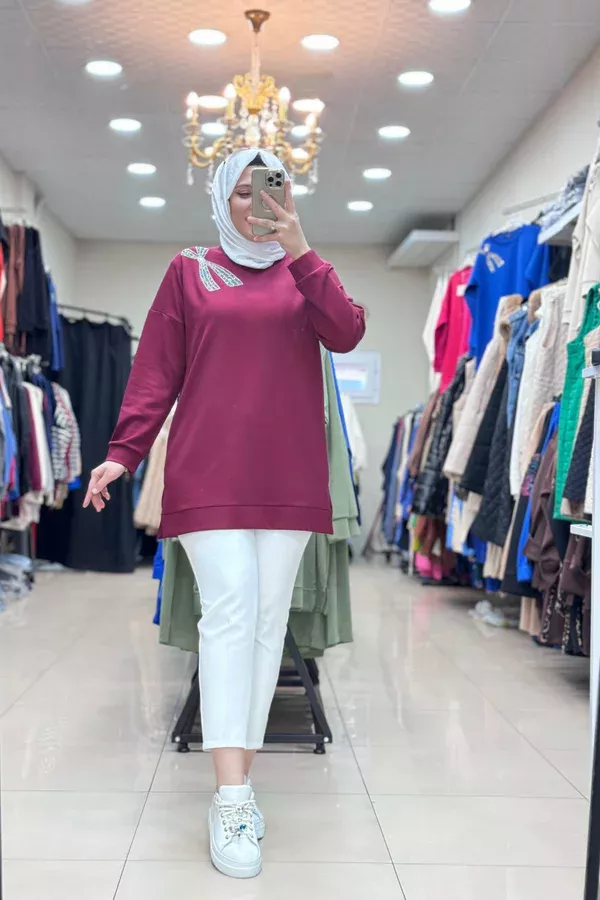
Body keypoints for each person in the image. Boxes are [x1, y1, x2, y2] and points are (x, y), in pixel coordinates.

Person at [83, 147, 365, 879]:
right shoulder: (189, 270)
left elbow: (347, 332)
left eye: (271, 190)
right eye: (242, 191)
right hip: (208, 473)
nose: (257, 203)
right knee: (231, 614)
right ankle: (231, 797)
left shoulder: (307, 273)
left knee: (268, 625)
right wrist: (124, 451)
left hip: (291, 477)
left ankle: (241, 780)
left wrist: (300, 248)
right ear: (220, 198)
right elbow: (156, 371)